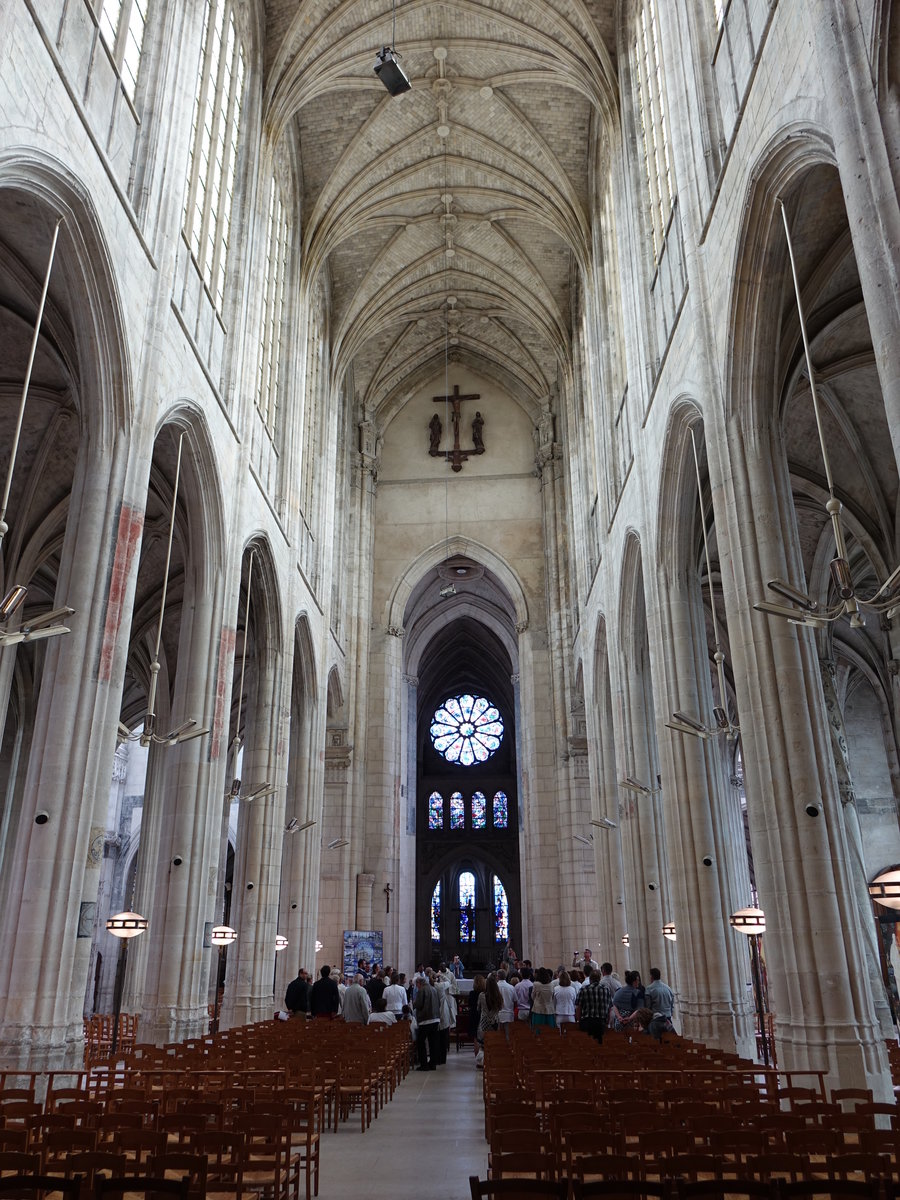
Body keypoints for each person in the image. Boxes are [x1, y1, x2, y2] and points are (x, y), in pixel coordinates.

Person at [413, 974, 441, 1070]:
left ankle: (424, 1064)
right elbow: (439, 1003)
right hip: (436, 1018)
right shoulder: (434, 989)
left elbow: (419, 1004)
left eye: (417, 985)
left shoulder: (422, 990)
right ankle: (433, 1064)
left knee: (421, 1042)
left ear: (419, 983)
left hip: (425, 1019)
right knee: (433, 1042)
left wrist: (414, 1004)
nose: (417, 987)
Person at [576, 969, 611, 1043]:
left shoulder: (584, 989)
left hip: (587, 1021)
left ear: (590, 979)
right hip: (601, 1022)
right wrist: (608, 1020)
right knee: (599, 1043)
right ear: (599, 978)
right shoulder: (606, 990)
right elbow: (609, 1007)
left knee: (587, 1043)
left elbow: (579, 1007)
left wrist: (578, 1020)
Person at [475, 975, 502, 1066]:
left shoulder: (481, 995)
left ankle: (482, 1062)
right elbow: (500, 1008)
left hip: (484, 1022)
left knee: (483, 1043)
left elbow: (478, 1008)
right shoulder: (498, 996)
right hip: (494, 1021)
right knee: (493, 1043)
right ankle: (492, 1061)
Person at [645, 966, 676, 1040]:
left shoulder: (649, 989)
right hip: (667, 1018)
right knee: (669, 1040)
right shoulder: (668, 988)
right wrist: (670, 1013)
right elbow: (672, 1003)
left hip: (656, 1020)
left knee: (656, 1042)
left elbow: (648, 1006)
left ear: (651, 977)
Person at [530, 967, 556, 1032]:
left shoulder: (536, 984)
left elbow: (532, 996)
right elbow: (553, 997)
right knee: (549, 1031)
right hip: (549, 1009)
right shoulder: (551, 985)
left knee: (538, 1030)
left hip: (538, 1009)